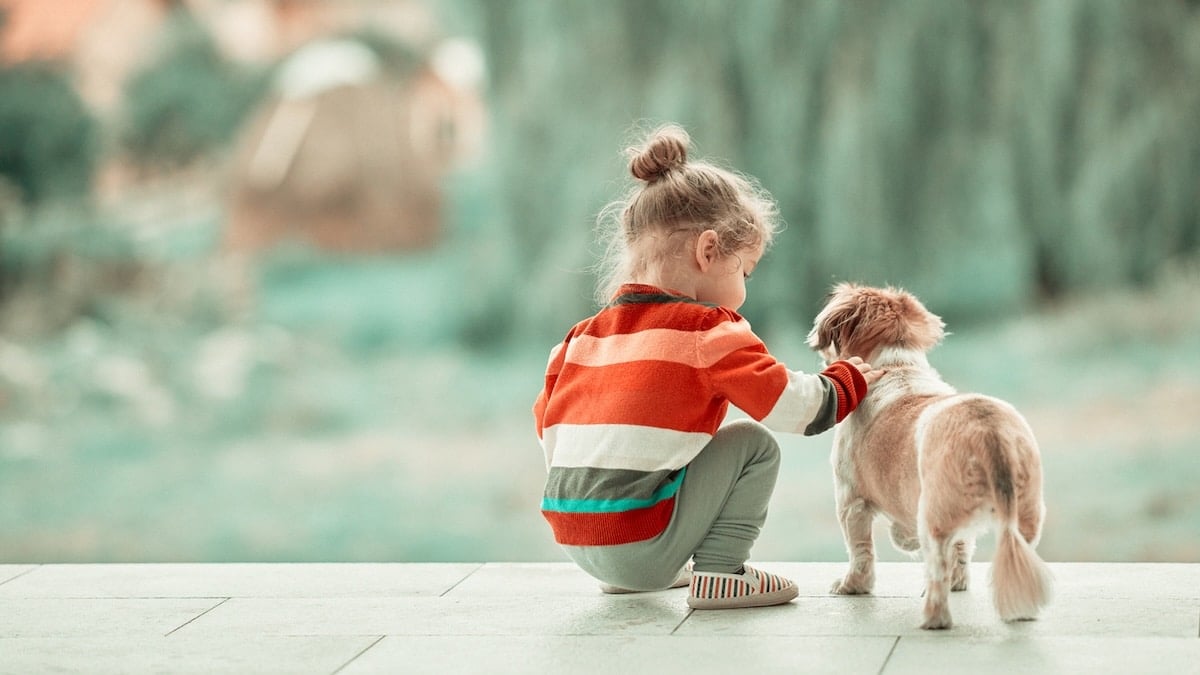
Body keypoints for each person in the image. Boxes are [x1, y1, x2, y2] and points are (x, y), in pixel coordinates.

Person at [532, 124, 883, 610]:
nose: (743, 288)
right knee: (753, 445)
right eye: (745, 271)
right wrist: (850, 377)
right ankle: (722, 572)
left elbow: (552, 431)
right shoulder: (706, 330)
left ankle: (633, 567)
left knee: (669, 452)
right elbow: (792, 409)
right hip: (642, 549)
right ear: (709, 251)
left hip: (578, 545)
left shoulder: (577, 340)